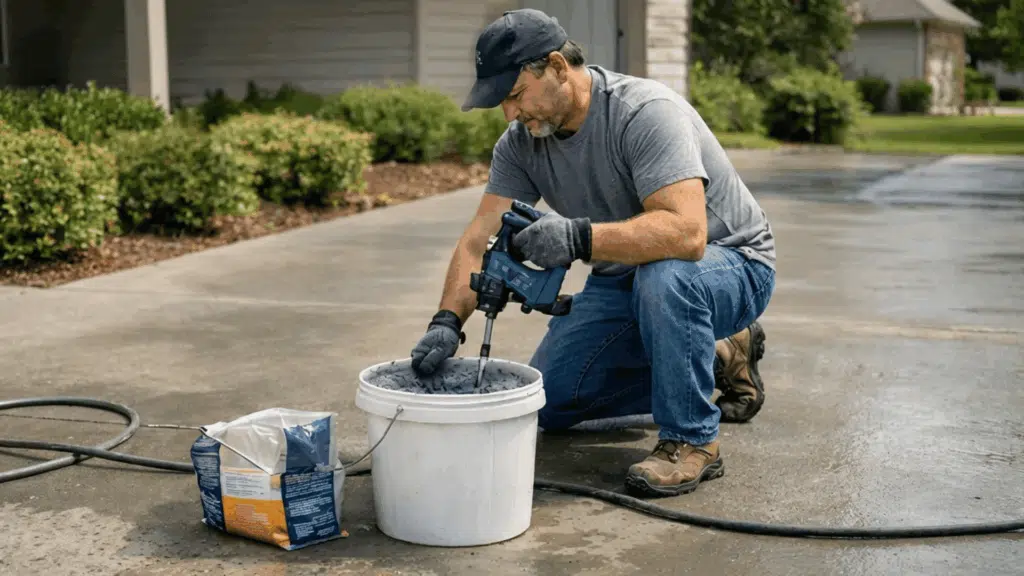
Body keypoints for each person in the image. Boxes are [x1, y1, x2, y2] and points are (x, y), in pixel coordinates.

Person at [409, 8, 776, 498]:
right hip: (624, 275)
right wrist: (446, 321)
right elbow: (479, 238)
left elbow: (687, 235)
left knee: (665, 277)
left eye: (515, 95)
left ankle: (692, 440)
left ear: (558, 67)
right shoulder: (520, 144)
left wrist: (577, 238)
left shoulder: (644, 112)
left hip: (727, 265)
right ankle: (713, 356)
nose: (511, 114)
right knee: (551, 399)